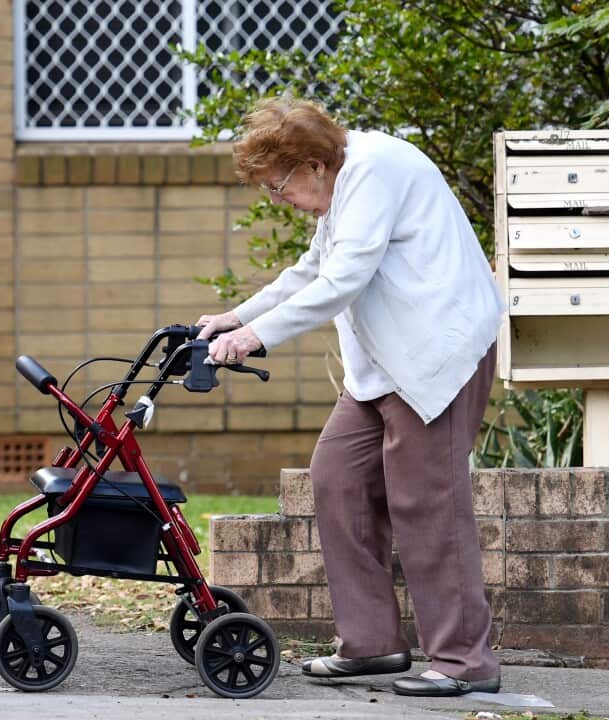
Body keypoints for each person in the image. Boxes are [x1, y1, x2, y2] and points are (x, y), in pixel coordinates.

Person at [195, 96, 504, 697]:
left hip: (435, 356)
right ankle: (373, 644)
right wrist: (237, 315)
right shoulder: (341, 181)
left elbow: (345, 278)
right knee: (337, 478)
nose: (278, 198)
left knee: (427, 504)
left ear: (313, 163)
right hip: (383, 366)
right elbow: (314, 267)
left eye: (279, 185)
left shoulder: (375, 169)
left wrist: (258, 337)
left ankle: (466, 661)